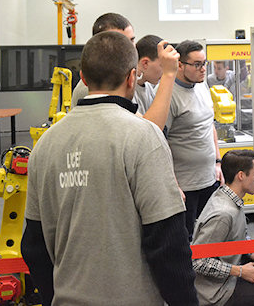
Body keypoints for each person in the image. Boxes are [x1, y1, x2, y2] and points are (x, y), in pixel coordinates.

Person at [21, 31, 198, 306]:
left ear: (83, 78)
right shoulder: (144, 136)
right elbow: (168, 242)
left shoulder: (45, 145)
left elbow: (34, 246)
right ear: (131, 77)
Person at [192, 149, 254, 306]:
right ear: (241, 176)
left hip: (230, 277)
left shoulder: (228, 196)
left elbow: (240, 237)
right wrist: (241, 271)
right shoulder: (223, 214)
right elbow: (198, 261)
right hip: (218, 292)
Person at [71, 13, 179, 130]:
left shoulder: (122, 78)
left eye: (131, 40)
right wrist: (168, 74)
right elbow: (149, 130)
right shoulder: (95, 86)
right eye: (120, 42)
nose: (129, 48)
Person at [166, 40, 224, 237]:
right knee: (187, 240)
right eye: (197, 64)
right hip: (185, 186)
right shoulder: (168, 95)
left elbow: (209, 125)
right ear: (180, 65)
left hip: (209, 179)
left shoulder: (201, 85)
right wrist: (173, 184)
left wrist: (217, 162)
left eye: (204, 63)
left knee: (211, 235)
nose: (203, 69)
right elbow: (160, 142)